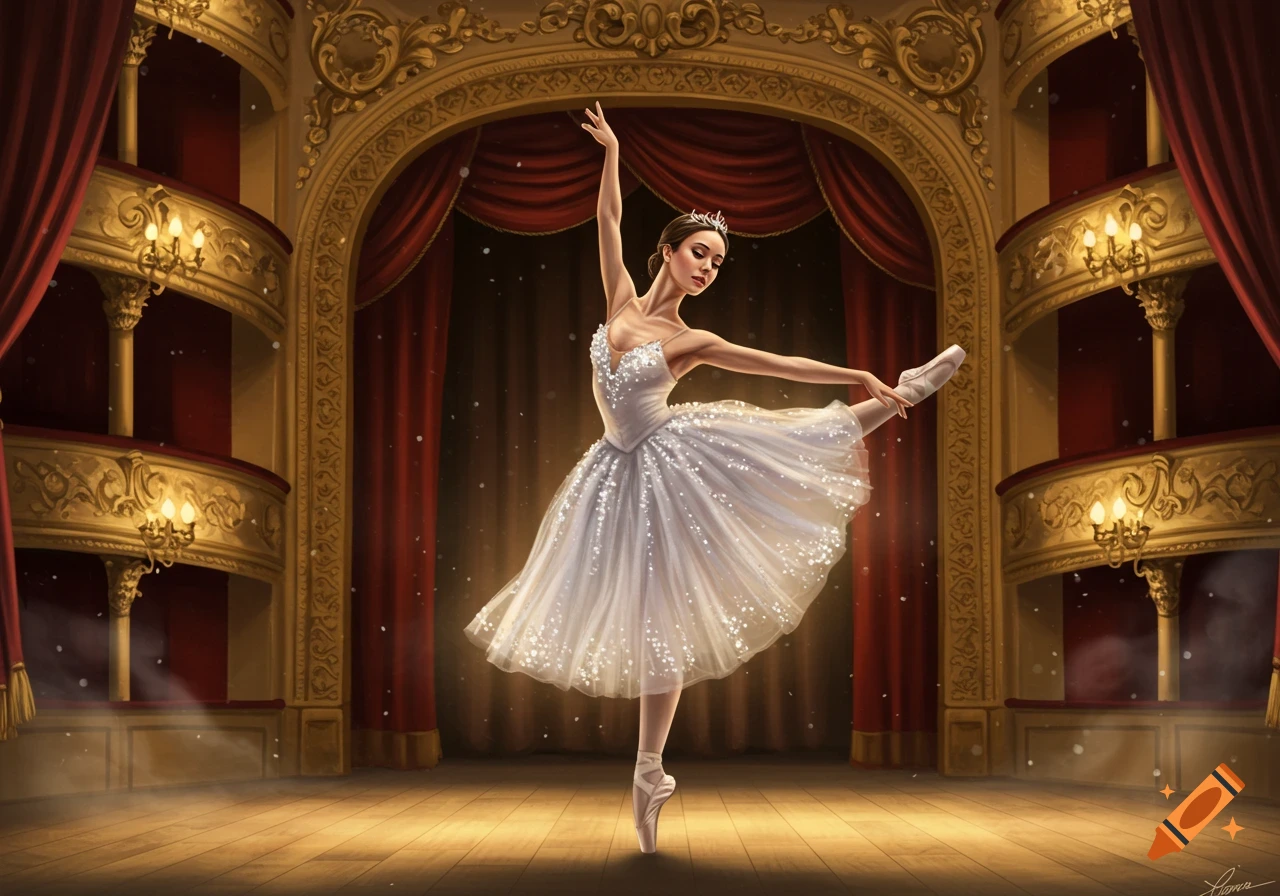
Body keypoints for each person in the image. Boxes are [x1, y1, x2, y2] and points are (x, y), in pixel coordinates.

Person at [464, 102, 964, 854]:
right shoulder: (620, 303)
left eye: (717, 262)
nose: (707, 267)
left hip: (673, 459)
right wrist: (613, 153)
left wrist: (857, 370)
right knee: (652, 624)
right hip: (614, 473)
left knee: (795, 441)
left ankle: (902, 393)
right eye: (699, 252)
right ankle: (648, 775)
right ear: (668, 252)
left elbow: (778, 366)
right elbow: (605, 221)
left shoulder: (689, 337)